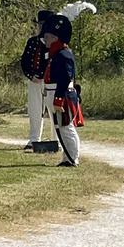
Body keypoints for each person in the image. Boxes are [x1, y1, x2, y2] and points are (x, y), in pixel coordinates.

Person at [45, 13, 83, 166]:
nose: (45, 39)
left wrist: (58, 99)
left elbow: (65, 78)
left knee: (66, 127)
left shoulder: (63, 54)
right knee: (62, 127)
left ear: (55, 38)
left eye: (47, 36)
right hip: (54, 91)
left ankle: (72, 158)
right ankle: (68, 157)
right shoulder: (57, 54)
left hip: (62, 94)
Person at [21, 9, 59, 151]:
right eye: (40, 24)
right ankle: (33, 139)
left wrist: (45, 75)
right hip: (35, 80)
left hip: (50, 81)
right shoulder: (32, 42)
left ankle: (57, 140)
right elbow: (25, 61)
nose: (41, 27)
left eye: (44, 24)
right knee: (35, 110)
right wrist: (31, 75)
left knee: (53, 110)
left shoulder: (55, 42)